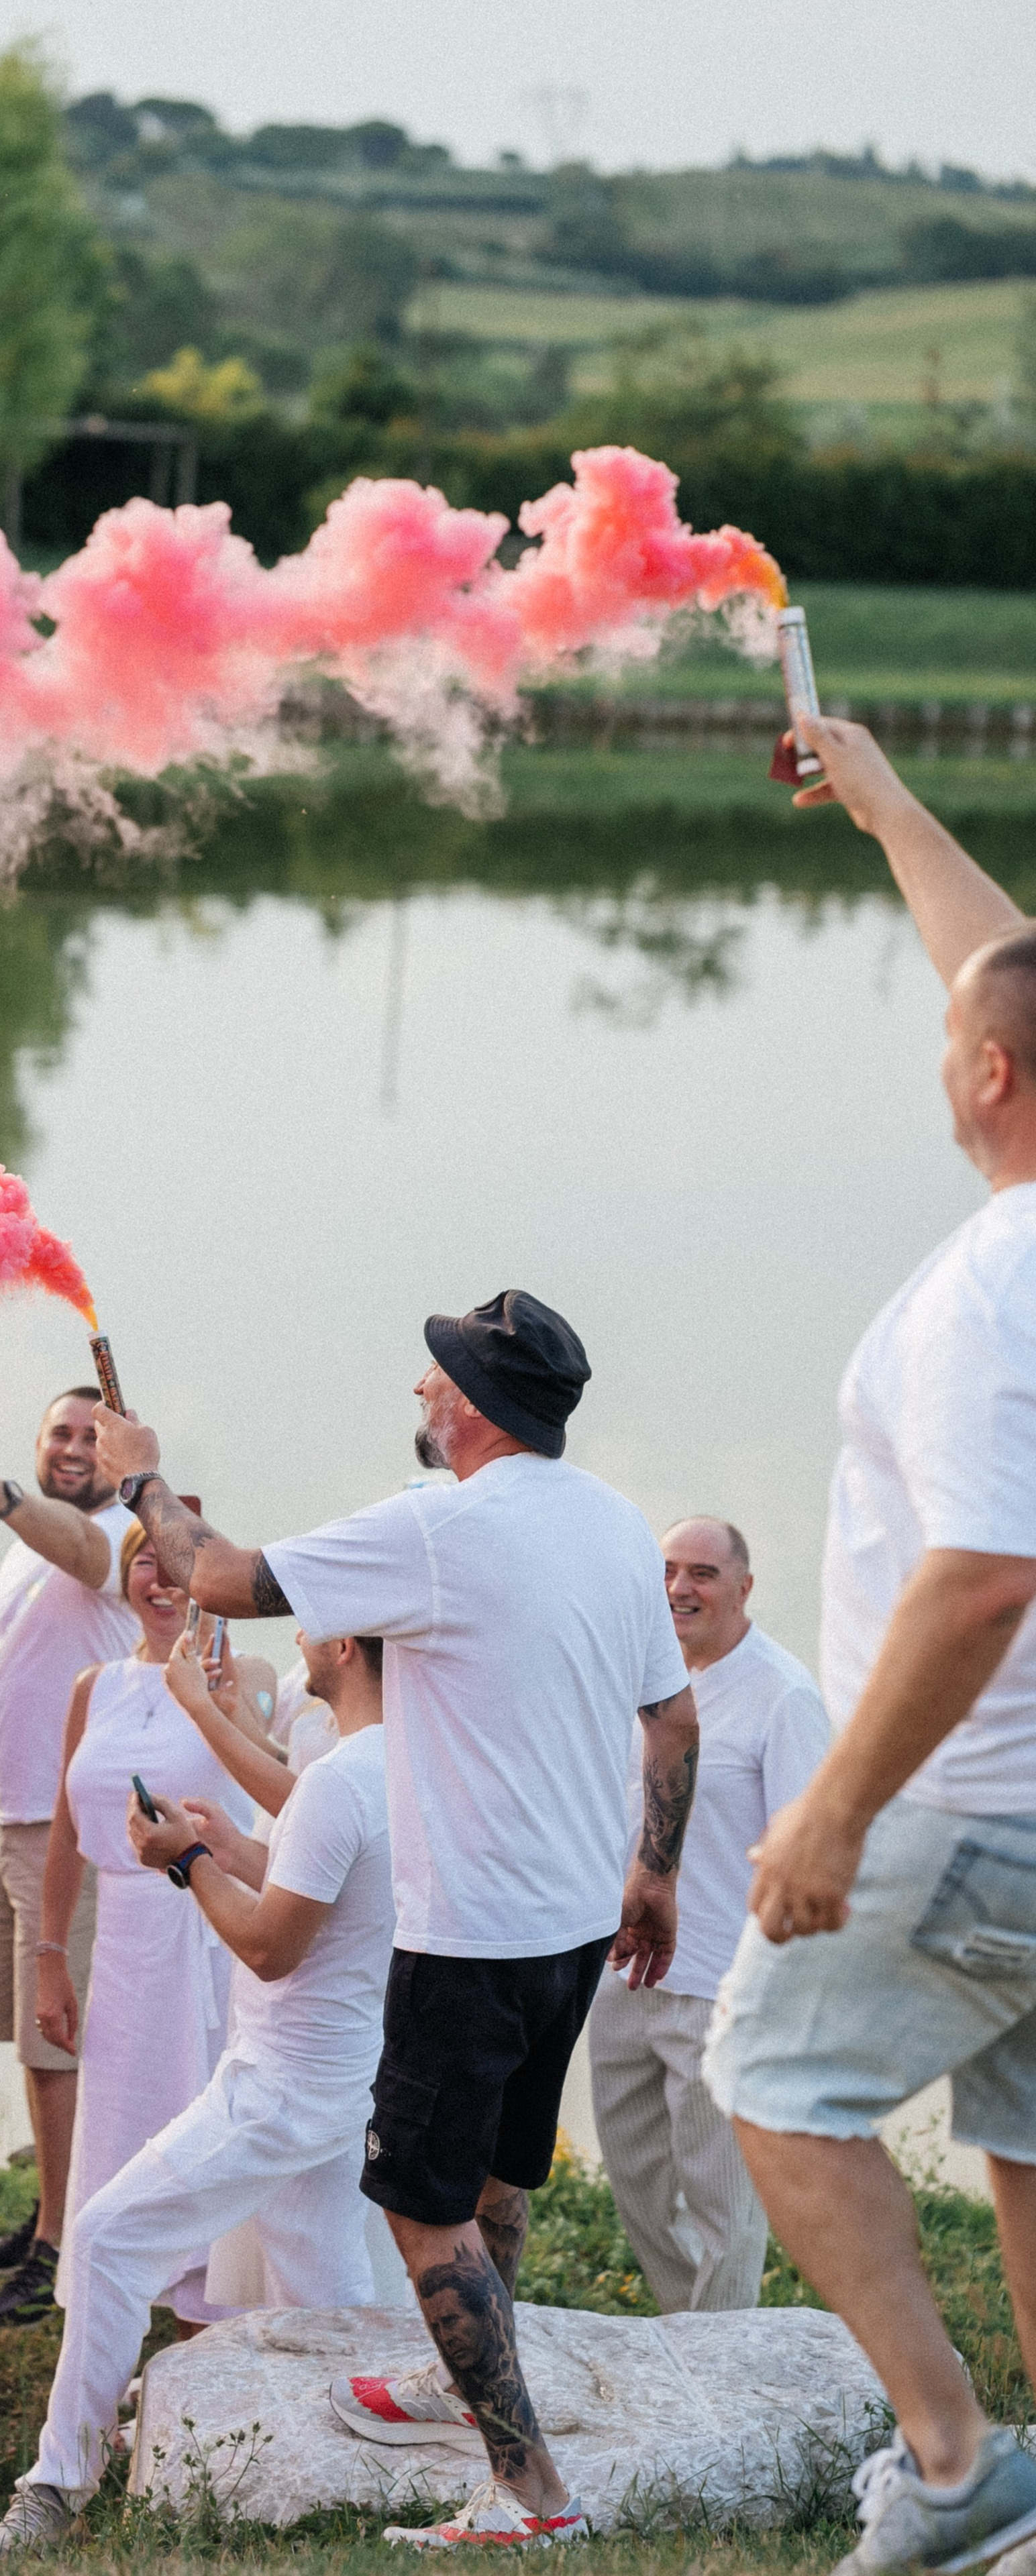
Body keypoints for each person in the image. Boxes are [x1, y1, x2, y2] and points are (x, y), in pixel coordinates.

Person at [94, 1291, 698, 2548]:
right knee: (498, 2175)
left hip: (468, 1932)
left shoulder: (439, 1529)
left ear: (474, 1410)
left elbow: (214, 1575)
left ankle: (531, 2497)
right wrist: (655, 1874)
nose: (420, 1394)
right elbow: (673, 1716)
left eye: (435, 1379)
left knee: (422, 2202)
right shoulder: (614, 1522)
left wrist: (140, 1476)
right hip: (573, 1924)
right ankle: (460, 2373)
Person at [704, 715, 1036, 2576]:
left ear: (986, 1081)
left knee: (774, 2082)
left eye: (947, 1047)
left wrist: (830, 1813)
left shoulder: (999, 1281)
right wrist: (890, 803)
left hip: (966, 1801)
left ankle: (954, 2455)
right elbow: (1008, 979)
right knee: (1033, 2138)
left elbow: (987, 1575)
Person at [0, 1621, 396, 2556]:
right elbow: (313, 1894)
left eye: (317, 1627)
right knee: (330, 2295)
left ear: (350, 1653)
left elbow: (267, 1945)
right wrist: (232, 1847)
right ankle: (377, 2479)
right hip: (345, 2080)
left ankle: (57, 2485)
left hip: (283, 2087)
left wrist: (187, 1863)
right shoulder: (393, 1768)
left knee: (107, 2236)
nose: (299, 1635)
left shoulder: (335, 1781)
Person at [24, 1521, 275, 2330]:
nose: (161, 1583)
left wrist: (221, 1704)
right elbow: (66, 1829)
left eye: (178, 1569)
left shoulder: (248, 1674)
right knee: (124, 2136)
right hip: (125, 1949)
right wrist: (51, 1955)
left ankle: (205, 2342)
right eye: (144, 1564)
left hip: (211, 1936)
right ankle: (118, 2333)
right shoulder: (92, 1686)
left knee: (206, 2140)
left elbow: (278, 1797)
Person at [590, 1517, 830, 2313]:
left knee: (720, 2195)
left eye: (701, 1573)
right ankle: (681, 2334)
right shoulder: (634, 1679)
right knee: (639, 2183)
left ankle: (722, 2362)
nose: (678, 1589)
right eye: (666, 1571)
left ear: (743, 1588)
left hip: (719, 1984)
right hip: (619, 1974)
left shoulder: (782, 1694)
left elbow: (806, 1855)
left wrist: (778, 1996)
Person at [0, 1391, 140, 2321]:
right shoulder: (26, 1547)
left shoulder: (129, 1533)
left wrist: (6, 1497)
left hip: (71, 1829)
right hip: (13, 1814)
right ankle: (49, 2212)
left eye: (91, 1437)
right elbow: (4, 1678)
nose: (73, 1448)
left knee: (61, 2044)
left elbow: (89, 1555)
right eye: (60, 1432)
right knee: (30, 2040)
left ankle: (63, 2248)